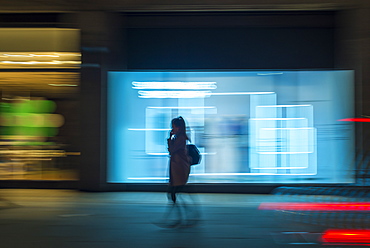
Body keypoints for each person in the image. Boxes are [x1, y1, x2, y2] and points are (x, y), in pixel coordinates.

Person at [167, 116, 191, 204]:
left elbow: (171, 150)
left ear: (178, 127)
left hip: (179, 166)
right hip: (177, 165)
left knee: (177, 185)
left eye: (173, 126)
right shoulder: (179, 137)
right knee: (176, 185)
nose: (172, 128)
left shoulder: (180, 138)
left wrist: (170, 139)